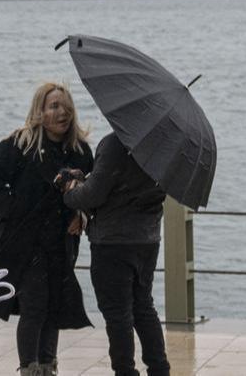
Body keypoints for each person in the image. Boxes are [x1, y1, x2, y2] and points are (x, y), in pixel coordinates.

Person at [0, 82, 94, 376]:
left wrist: (83, 216)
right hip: (24, 241)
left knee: (54, 303)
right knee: (34, 304)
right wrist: (9, 215)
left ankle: (48, 365)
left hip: (61, 242)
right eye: (54, 106)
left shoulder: (80, 152)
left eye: (66, 107)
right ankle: (30, 368)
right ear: (40, 111)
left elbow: (93, 193)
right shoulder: (19, 144)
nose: (62, 113)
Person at [62, 131, 170, 376]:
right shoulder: (164, 146)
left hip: (112, 242)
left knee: (117, 314)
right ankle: (160, 369)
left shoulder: (116, 143)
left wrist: (70, 192)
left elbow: (93, 195)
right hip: (148, 240)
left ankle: (125, 371)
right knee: (143, 306)